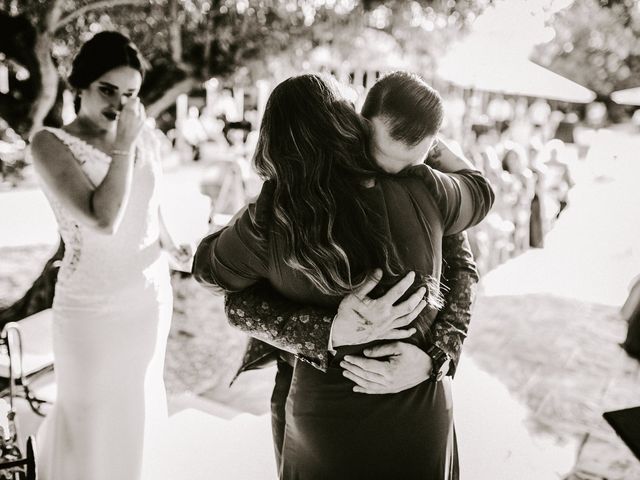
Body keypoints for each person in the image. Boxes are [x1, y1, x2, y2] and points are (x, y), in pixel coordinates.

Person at [194, 72, 494, 478]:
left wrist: (324, 332)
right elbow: (470, 240)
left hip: (328, 410)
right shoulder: (426, 188)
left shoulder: (267, 221)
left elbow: (221, 286)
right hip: (419, 403)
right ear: (350, 122)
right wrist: (436, 358)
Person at [29, 31, 191, 480]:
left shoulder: (144, 137)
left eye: (131, 94)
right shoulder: (50, 144)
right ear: (78, 87)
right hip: (90, 309)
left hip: (147, 299)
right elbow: (103, 220)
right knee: (90, 421)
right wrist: (124, 144)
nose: (120, 104)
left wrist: (173, 245)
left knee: (136, 412)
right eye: (107, 90)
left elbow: (149, 208)